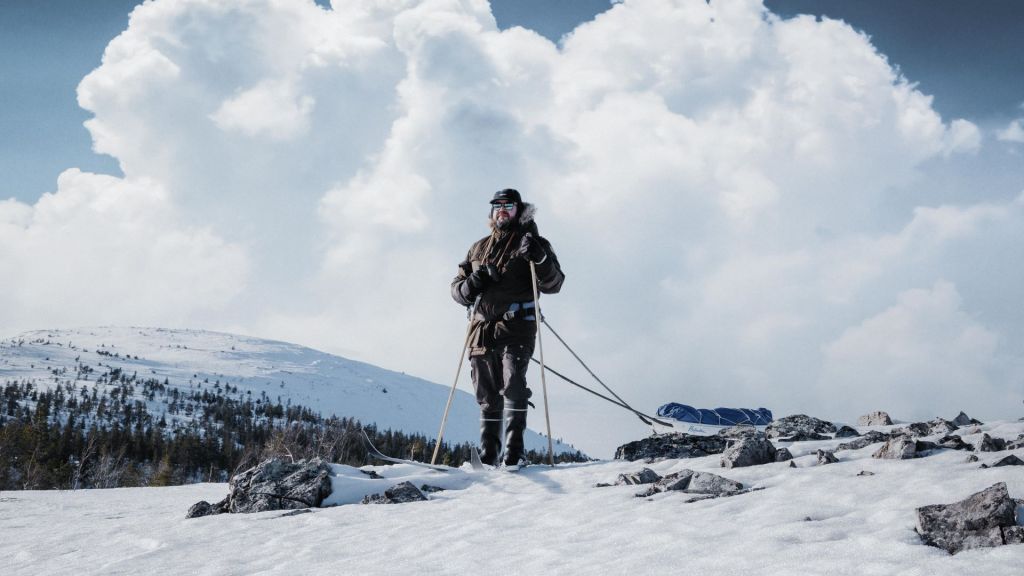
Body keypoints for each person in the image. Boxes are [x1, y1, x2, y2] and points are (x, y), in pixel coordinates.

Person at [450, 188, 565, 469]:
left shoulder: (533, 243)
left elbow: (555, 283)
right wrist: (472, 283)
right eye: (497, 206)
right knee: (486, 393)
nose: (502, 210)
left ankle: (514, 454)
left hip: (517, 326)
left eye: (509, 206)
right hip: (481, 329)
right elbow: (457, 291)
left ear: (519, 210)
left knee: (513, 384)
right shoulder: (478, 248)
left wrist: (539, 258)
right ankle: (489, 457)